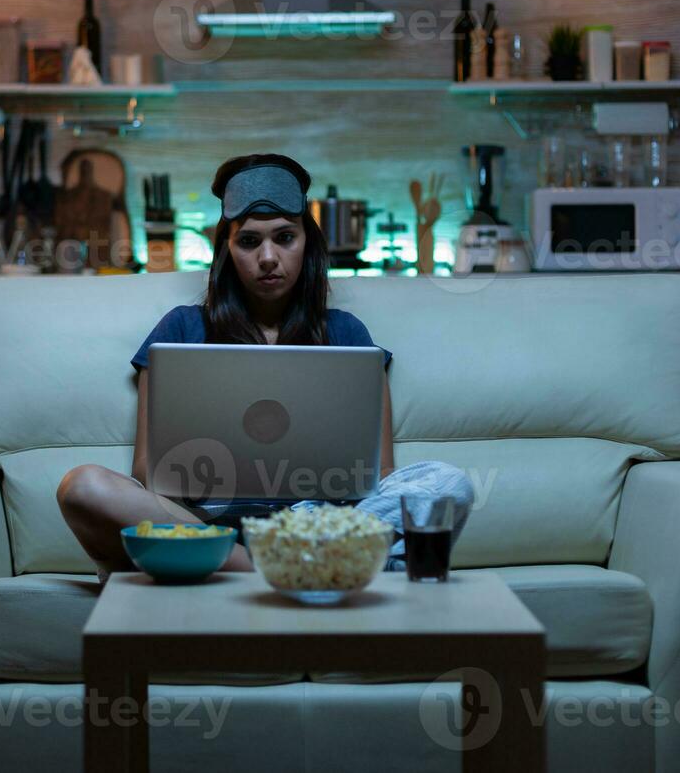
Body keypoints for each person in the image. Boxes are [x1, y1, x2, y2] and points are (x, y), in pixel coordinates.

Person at [56, 153, 475, 583]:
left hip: (317, 522)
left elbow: (379, 473)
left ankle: (299, 560)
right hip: (205, 528)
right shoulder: (181, 327)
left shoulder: (347, 332)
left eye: (284, 238)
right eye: (250, 241)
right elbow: (146, 473)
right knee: (84, 486)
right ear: (227, 250)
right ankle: (284, 569)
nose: (269, 257)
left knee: (446, 483)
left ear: (307, 243)